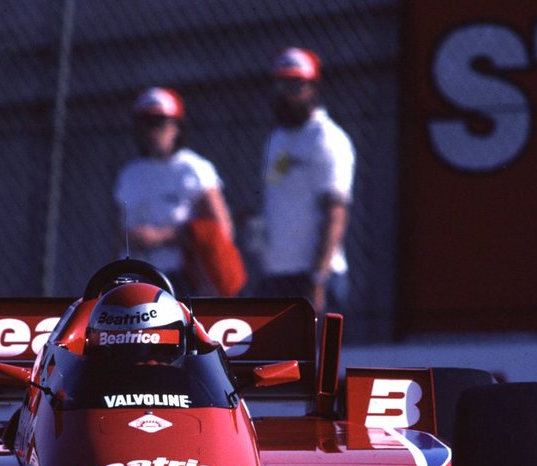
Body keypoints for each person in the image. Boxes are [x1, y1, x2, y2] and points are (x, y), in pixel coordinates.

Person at [258, 47, 356, 315]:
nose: (287, 94)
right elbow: (276, 194)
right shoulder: (277, 139)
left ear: (313, 88)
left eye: (296, 85)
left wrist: (318, 279)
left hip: (312, 276)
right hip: (276, 273)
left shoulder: (327, 139)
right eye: (281, 84)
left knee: (320, 356)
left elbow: (336, 212)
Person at [113, 87, 235, 297]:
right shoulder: (130, 173)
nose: (152, 131)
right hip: (137, 274)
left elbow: (221, 229)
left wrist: (161, 237)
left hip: (182, 276)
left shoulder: (193, 168)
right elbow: (117, 230)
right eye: (146, 123)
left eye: (160, 123)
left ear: (176, 126)